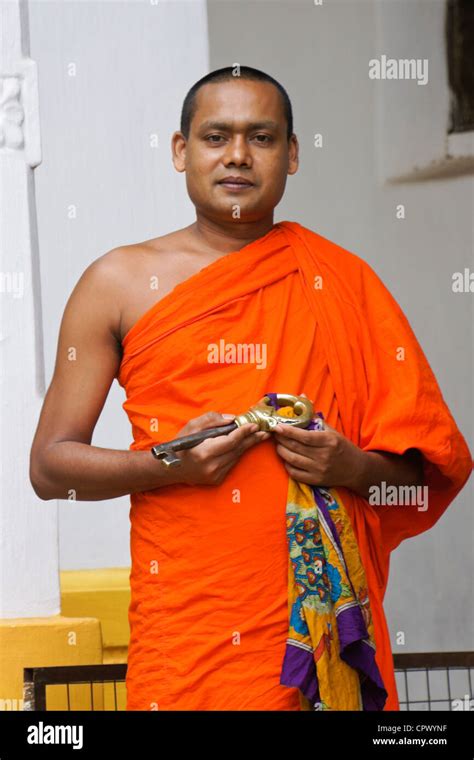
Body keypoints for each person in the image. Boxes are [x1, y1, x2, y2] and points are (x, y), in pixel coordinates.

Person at [30, 65, 472, 711]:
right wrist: (165, 464)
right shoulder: (118, 282)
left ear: (291, 155)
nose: (237, 155)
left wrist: (350, 464)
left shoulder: (343, 282)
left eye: (261, 137)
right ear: (182, 151)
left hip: (322, 624)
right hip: (189, 625)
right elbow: (50, 468)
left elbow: (423, 477)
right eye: (216, 136)